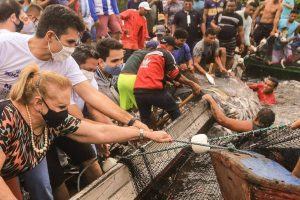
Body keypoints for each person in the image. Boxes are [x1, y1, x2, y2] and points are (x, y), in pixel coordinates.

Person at [0, 65, 173, 199]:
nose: (64, 112)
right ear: (38, 103)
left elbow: (100, 132)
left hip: (9, 172)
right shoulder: (6, 118)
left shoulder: (51, 117)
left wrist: (145, 134)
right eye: (61, 107)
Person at [134, 36, 202, 127]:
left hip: (138, 90)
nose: (173, 51)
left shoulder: (149, 54)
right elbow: (176, 75)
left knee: (146, 119)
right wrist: (192, 84)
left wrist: (172, 81)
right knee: (174, 110)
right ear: (166, 45)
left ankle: (148, 137)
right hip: (153, 90)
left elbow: (158, 72)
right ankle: (180, 133)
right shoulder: (165, 53)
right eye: (173, 48)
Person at [118, 41, 158, 111]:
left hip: (121, 78)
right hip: (132, 79)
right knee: (147, 110)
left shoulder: (137, 52)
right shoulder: (150, 55)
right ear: (152, 49)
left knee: (126, 110)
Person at [202, 94, 276, 132]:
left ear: (256, 117)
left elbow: (222, 120)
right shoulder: (264, 130)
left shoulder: (250, 127)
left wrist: (211, 100)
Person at [211, 0, 244, 69]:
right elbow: (212, 23)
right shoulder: (220, 14)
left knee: (229, 57)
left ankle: (225, 73)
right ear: (226, 6)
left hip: (231, 41)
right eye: (228, 6)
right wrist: (215, 26)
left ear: (236, 6)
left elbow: (241, 31)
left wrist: (242, 43)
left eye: (232, 6)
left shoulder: (238, 17)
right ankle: (215, 72)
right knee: (216, 56)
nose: (230, 8)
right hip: (219, 40)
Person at [95, 38, 122, 104]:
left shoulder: (113, 76)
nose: (120, 64)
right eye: (114, 61)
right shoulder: (94, 84)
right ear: (101, 62)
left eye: (121, 59)